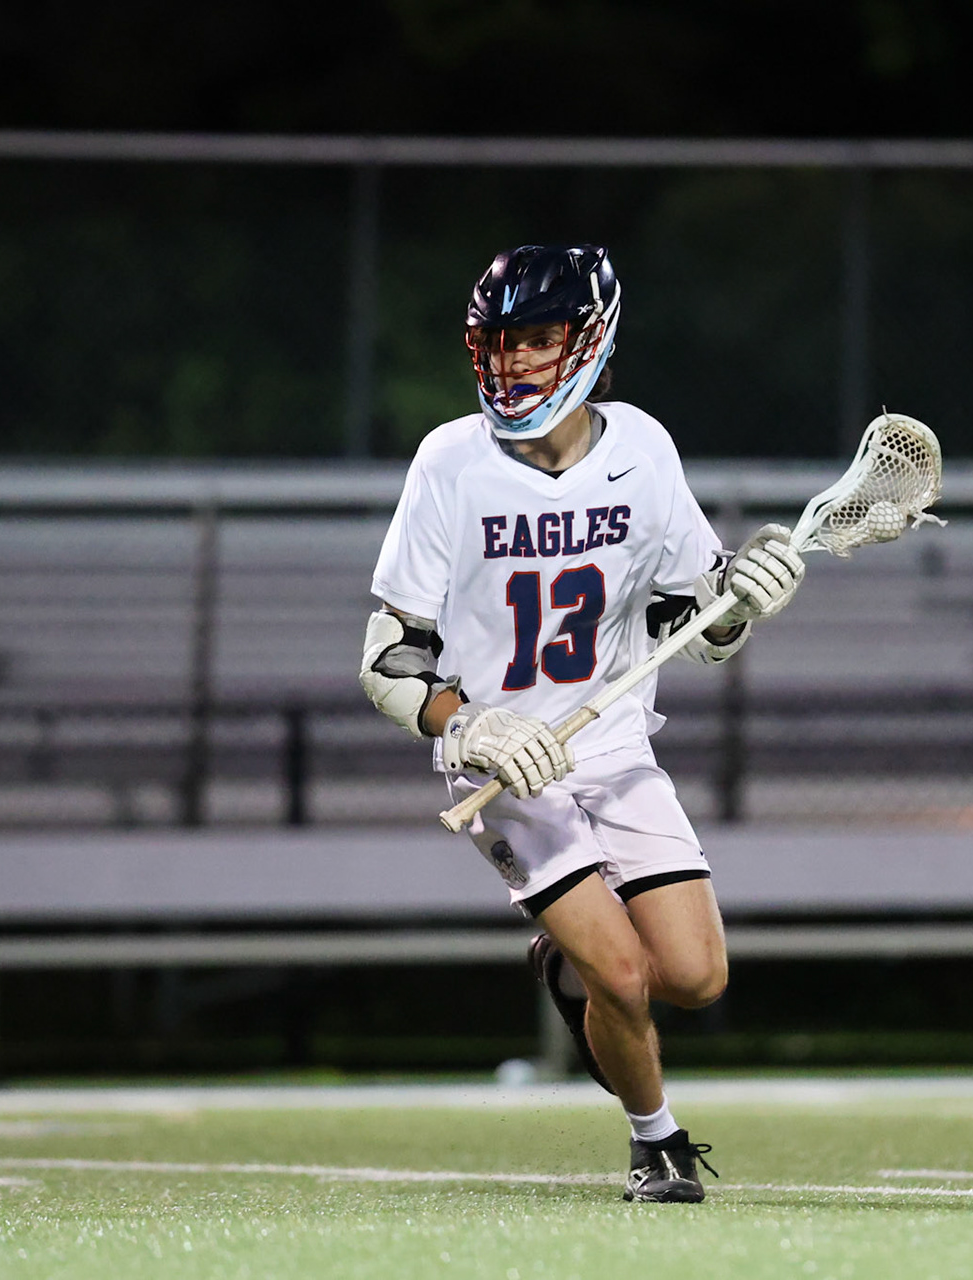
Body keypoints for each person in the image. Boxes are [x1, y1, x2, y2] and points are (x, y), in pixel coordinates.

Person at [358, 244, 804, 1203]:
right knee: (625, 975)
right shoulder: (450, 462)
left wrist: (745, 599)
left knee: (693, 977)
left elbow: (694, 623)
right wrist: (465, 726)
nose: (515, 361)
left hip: (611, 745)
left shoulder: (642, 446)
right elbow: (388, 659)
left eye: (538, 338)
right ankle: (658, 1142)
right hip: (505, 764)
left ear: (591, 339)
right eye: (500, 340)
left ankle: (567, 971)